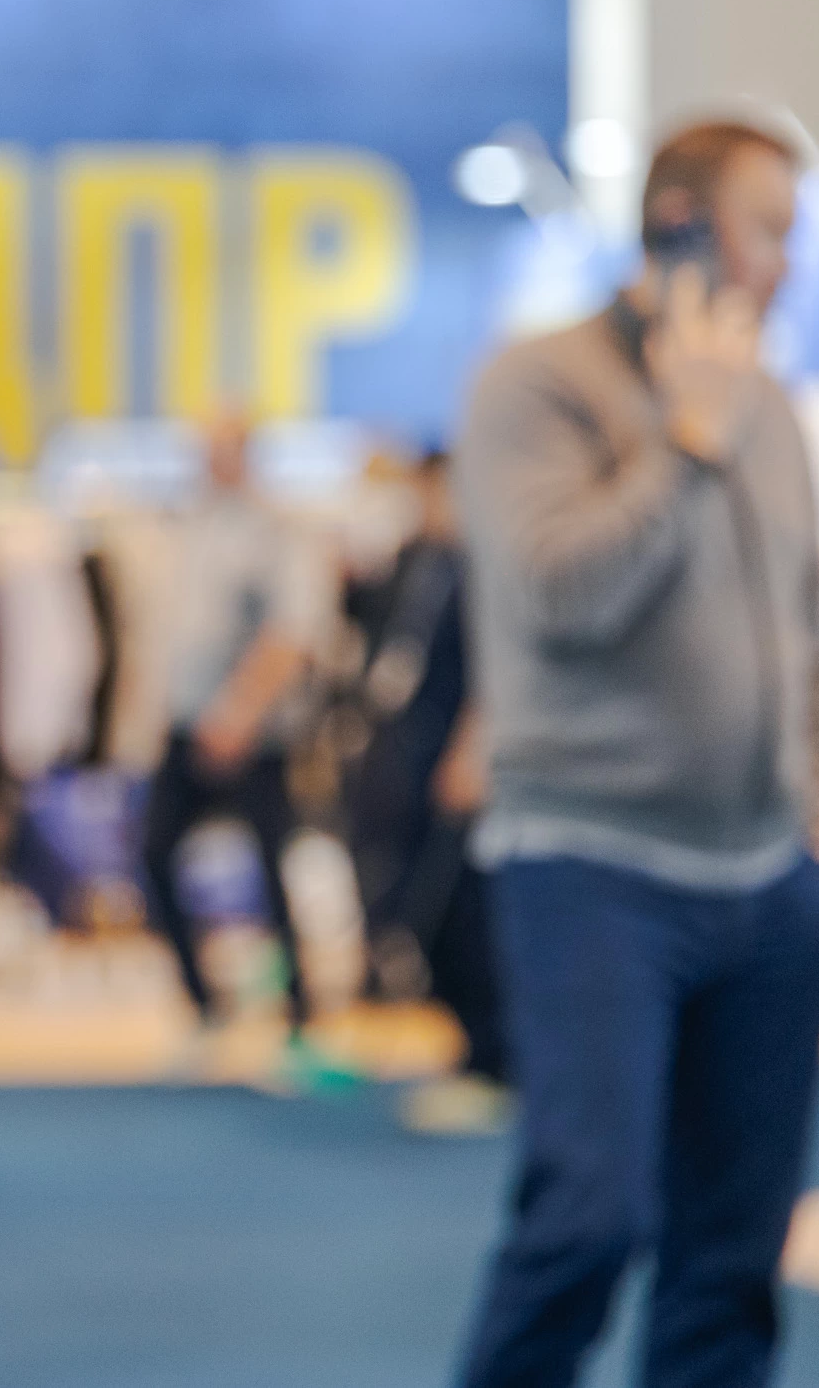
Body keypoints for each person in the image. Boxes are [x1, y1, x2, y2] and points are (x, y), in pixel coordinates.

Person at [452, 120, 819, 1388]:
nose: (785, 262)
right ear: (679, 222)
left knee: (731, 1261)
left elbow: (809, 626)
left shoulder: (772, 405)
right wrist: (683, 446)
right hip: (592, 864)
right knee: (588, 1219)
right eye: (766, 228)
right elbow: (559, 594)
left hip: (771, 880)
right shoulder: (536, 385)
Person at [133, 410, 333, 1068]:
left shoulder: (274, 530)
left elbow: (291, 632)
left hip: (254, 733)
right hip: (187, 722)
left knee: (271, 868)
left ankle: (301, 1017)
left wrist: (240, 713)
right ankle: (204, 1005)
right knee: (153, 853)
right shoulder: (190, 525)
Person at [338, 450, 507, 1132]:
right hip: (406, 756)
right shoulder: (420, 564)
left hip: (460, 762)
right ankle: (470, 1049)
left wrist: (474, 749)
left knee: (463, 913)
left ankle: (494, 1060)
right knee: (408, 901)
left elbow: (498, 672)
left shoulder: (489, 570)